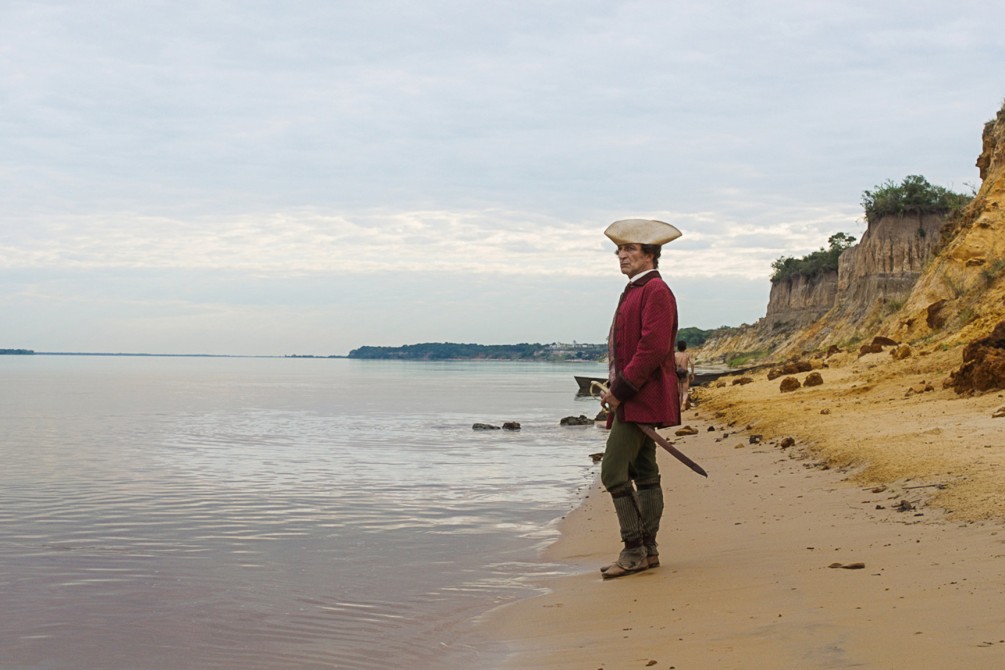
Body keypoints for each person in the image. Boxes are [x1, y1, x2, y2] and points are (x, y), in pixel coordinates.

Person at [599, 218, 682, 579]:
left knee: (613, 473)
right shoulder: (634, 290)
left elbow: (652, 349)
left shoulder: (656, 291)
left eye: (630, 249)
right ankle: (647, 551)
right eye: (620, 249)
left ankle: (633, 550)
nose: (621, 255)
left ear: (651, 254)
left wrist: (618, 392)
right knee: (644, 471)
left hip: (640, 398)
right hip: (633, 397)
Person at [674, 340, 696, 411]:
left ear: (678, 347)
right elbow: (692, 363)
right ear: (685, 347)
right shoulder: (687, 355)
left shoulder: (675, 354)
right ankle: (683, 402)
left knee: (678, 391)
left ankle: (679, 406)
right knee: (685, 391)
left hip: (677, 373)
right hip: (685, 373)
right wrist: (692, 374)